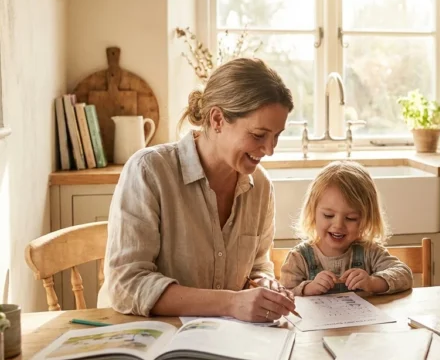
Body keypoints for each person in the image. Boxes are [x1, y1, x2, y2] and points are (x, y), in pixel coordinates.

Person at [101, 58, 296, 323]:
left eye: (277, 136)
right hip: (146, 337)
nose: (270, 149)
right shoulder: (149, 171)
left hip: (222, 339)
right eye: (259, 135)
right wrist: (230, 303)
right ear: (217, 119)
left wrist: (263, 285)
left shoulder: (260, 185)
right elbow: (127, 285)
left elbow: (258, 266)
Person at [280, 161, 413, 296]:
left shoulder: (370, 252)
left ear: (366, 219)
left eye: (351, 218)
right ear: (312, 212)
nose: (338, 225)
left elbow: (404, 274)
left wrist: (373, 282)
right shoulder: (298, 257)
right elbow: (284, 294)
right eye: (328, 215)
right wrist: (308, 288)